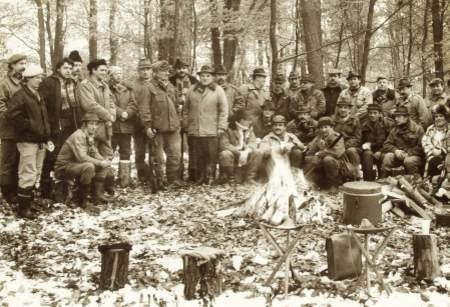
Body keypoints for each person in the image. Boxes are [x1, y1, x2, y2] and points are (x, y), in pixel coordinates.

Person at [7, 64, 52, 218]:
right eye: (38, 77)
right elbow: (12, 115)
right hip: (27, 141)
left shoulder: (37, 94)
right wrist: (30, 127)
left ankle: (29, 204)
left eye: (40, 77)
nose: (40, 80)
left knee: (36, 172)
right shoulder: (20, 95)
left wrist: (45, 134)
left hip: (40, 141)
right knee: (27, 173)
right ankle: (23, 209)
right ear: (29, 79)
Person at [38, 57, 82, 199]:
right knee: (52, 156)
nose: (69, 71)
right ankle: (46, 189)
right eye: (65, 68)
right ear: (58, 69)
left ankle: (65, 188)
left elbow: (76, 105)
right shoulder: (49, 82)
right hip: (55, 125)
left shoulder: (73, 83)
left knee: (68, 155)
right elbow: (42, 104)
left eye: (70, 68)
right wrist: (48, 126)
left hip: (71, 123)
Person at [138, 60, 183, 188]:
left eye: (167, 71)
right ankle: (158, 181)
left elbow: (176, 106)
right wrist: (147, 126)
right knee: (157, 157)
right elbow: (144, 109)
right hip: (157, 128)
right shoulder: (148, 87)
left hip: (173, 128)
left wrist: (178, 121)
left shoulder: (171, 87)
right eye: (163, 71)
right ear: (156, 73)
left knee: (175, 155)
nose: (166, 73)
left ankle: (172, 180)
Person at [54, 113, 112, 208]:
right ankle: (83, 200)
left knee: (103, 165)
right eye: (91, 124)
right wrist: (100, 162)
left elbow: (94, 152)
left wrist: (104, 161)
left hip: (76, 165)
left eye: (96, 124)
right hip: (64, 167)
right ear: (84, 125)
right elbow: (82, 157)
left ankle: (97, 195)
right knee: (89, 166)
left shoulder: (89, 135)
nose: (94, 127)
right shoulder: (79, 135)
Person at [183, 65, 228, 184]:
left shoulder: (218, 90)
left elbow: (224, 111)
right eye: (202, 75)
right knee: (197, 155)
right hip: (195, 129)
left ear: (212, 77)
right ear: (199, 77)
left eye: (208, 75)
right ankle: (199, 178)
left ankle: (210, 177)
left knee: (211, 155)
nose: (205, 78)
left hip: (211, 129)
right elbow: (186, 109)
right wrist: (186, 125)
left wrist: (221, 127)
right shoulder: (192, 89)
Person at [0, 53, 27, 204]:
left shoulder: (23, 83)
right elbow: (1, 105)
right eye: (20, 63)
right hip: (9, 129)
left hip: (22, 130)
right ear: (12, 66)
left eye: (25, 63)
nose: (23, 67)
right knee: (7, 161)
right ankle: (6, 192)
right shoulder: (4, 84)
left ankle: (16, 189)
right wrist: (13, 119)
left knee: (19, 160)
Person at [109, 66, 138, 188]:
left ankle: (124, 180)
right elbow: (110, 104)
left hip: (126, 127)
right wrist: (121, 113)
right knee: (109, 152)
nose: (119, 75)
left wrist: (128, 113)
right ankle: (107, 180)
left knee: (126, 152)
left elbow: (133, 104)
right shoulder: (107, 89)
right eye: (116, 73)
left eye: (120, 73)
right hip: (113, 127)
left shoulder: (129, 89)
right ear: (111, 76)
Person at [218, 110, 263, 184]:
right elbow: (224, 144)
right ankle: (229, 178)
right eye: (248, 120)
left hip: (245, 157)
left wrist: (247, 151)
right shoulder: (228, 128)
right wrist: (239, 152)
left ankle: (249, 178)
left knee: (258, 152)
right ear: (241, 120)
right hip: (234, 158)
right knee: (225, 154)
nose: (250, 122)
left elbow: (253, 142)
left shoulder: (249, 128)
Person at [303, 117, 346, 192]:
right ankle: (309, 182)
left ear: (332, 127)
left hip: (338, 164)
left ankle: (334, 185)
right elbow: (310, 152)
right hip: (322, 163)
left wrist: (321, 152)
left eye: (326, 127)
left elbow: (337, 153)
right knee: (308, 159)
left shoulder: (337, 137)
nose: (323, 130)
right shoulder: (319, 137)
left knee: (328, 159)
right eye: (321, 127)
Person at [381, 106, 425, 177]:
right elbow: (386, 144)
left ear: (406, 117)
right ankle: (385, 179)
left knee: (408, 161)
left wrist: (408, 153)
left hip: (414, 156)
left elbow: (422, 147)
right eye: (395, 117)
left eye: (398, 117)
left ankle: (415, 181)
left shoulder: (418, 129)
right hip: (399, 155)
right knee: (388, 157)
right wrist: (396, 151)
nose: (396, 119)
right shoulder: (395, 129)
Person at [360, 104, 395, 181]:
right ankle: (368, 181)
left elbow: (390, 141)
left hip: (384, 150)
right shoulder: (364, 126)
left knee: (386, 157)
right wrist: (365, 146)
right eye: (370, 113)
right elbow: (361, 141)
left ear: (380, 114)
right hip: (371, 151)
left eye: (375, 113)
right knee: (367, 154)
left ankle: (384, 180)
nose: (372, 115)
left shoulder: (387, 124)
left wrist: (380, 151)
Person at [132, 58, 153, 183]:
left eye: (148, 69)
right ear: (138, 71)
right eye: (143, 70)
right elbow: (131, 103)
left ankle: (153, 174)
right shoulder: (134, 85)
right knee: (139, 151)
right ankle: (141, 174)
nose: (145, 72)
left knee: (153, 150)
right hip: (137, 124)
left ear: (151, 71)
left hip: (152, 123)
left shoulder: (155, 84)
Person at [238, 68, 271, 138]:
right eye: (263, 77)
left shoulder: (264, 92)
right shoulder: (244, 88)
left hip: (259, 126)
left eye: (265, 77)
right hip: (246, 125)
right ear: (257, 77)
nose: (265, 80)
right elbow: (238, 107)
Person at [332, 97, 362, 173]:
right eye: (341, 107)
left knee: (351, 151)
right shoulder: (333, 120)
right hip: (335, 145)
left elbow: (357, 138)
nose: (343, 110)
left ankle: (356, 173)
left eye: (345, 107)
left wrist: (344, 145)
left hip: (350, 145)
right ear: (338, 109)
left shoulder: (355, 120)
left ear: (349, 109)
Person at [422, 104, 450, 180]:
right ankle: (430, 182)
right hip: (432, 154)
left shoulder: (449, 129)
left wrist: (441, 151)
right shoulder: (430, 129)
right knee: (433, 161)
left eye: (441, 116)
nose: (438, 118)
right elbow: (425, 142)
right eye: (436, 116)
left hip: (447, 156)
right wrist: (432, 151)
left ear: (446, 117)